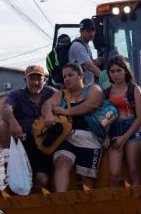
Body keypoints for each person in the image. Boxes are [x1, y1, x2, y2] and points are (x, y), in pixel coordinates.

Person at [41, 62, 104, 192]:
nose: (67, 79)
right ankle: (61, 200)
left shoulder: (93, 89)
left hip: (89, 138)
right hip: (66, 137)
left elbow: (91, 105)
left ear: (81, 75)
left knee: (86, 179)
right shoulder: (61, 94)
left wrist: (65, 111)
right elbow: (47, 104)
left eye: (70, 75)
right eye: (64, 77)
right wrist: (48, 115)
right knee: (61, 163)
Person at [0, 64, 57, 189]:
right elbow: (5, 109)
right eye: (31, 78)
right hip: (23, 141)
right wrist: (13, 122)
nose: (35, 82)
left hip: (44, 143)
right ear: (25, 80)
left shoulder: (53, 93)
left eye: (38, 78)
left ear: (44, 80)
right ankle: (8, 162)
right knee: (4, 124)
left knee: (43, 180)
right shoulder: (16, 94)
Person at [103, 55, 141, 187]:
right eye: (112, 71)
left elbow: (140, 117)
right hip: (114, 129)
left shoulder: (134, 89)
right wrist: (105, 136)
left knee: (133, 170)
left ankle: (137, 205)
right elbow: (105, 117)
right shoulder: (106, 92)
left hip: (133, 129)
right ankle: (114, 206)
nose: (116, 74)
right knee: (114, 174)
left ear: (125, 71)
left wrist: (124, 137)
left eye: (119, 70)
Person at [69, 18, 100, 85]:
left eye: (93, 30)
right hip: (81, 87)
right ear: (81, 31)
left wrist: (98, 61)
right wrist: (106, 78)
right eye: (88, 30)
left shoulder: (85, 44)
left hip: (86, 85)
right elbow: (89, 66)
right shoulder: (78, 46)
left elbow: (86, 63)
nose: (92, 33)